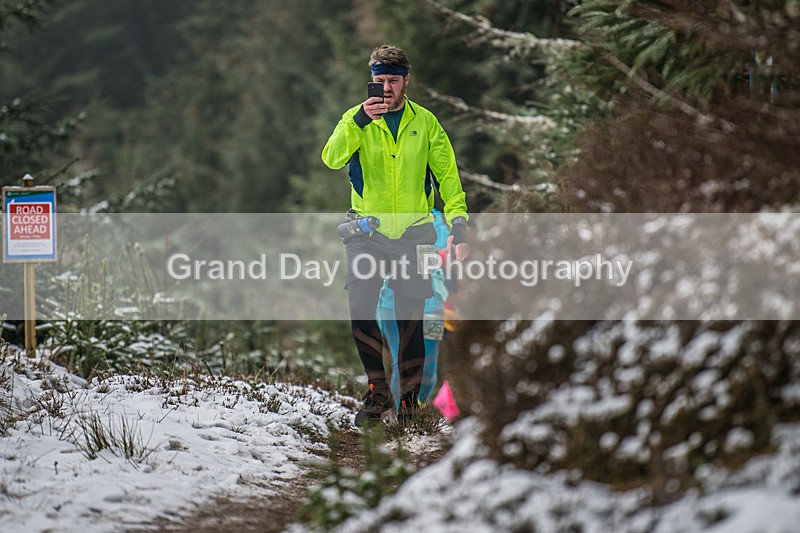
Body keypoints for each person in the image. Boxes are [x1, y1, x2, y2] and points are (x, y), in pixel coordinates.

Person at [321, 44, 469, 427]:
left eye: (392, 80)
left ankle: (408, 402)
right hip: (366, 231)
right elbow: (331, 158)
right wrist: (358, 121)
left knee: (412, 319)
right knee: (360, 307)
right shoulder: (356, 119)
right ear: (371, 80)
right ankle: (377, 391)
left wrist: (459, 223)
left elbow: (448, 178)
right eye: (378, 80)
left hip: (416, 234)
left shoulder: (427, 123)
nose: (385, 88)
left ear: (406, 80)